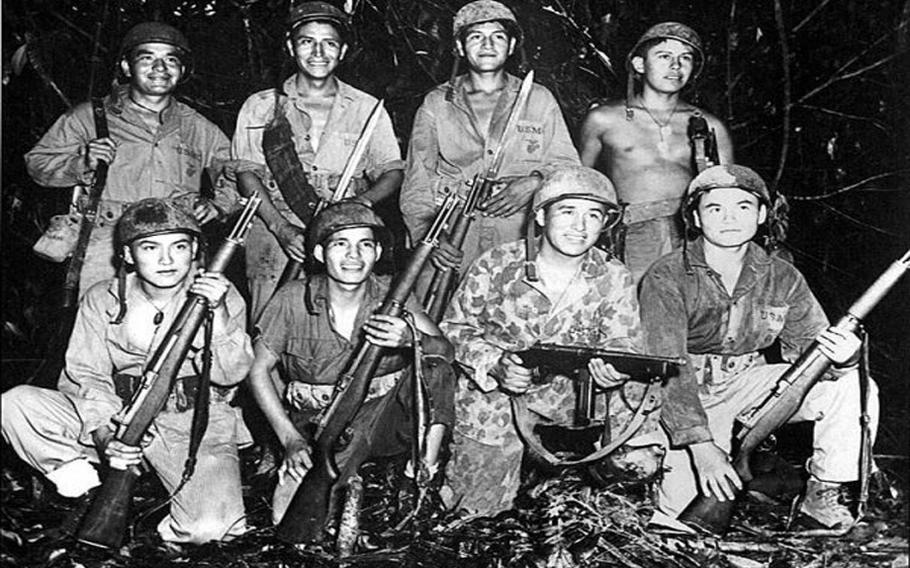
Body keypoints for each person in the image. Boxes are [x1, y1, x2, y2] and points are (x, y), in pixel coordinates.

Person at [639, 164, 880, 531]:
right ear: (696, 218)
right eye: (715, 208)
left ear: (763, 214)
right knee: (678, 522)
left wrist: (845, 359)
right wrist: (701, 447)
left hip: (747, 384)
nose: (730, 218)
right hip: (681, 396)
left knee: (852, 387)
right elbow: (667, 367)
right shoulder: (666, 275)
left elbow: (813, 354)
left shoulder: (782, 275)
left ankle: (825, 491)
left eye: (744, 206)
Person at [1, 198, 253, 543]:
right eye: (150, 248)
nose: (166, 260)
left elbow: (231, 374)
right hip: (117, 412)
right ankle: (90, 489)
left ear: (194, 250)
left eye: (179, 246)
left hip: (191, 418)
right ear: (129, 255)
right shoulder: (102, 297)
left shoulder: (220, 294)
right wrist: (107, 437)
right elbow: (86, 374)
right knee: (15, 404)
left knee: (211, 531)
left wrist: (220, 315)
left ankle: (172, 496)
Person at [439, 166, 661, 517]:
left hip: (575, 401)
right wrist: (495, 364)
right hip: (499, 401)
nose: (580, 226)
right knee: (475, 515)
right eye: (567, 211)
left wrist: (615, 371)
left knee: (626, 479)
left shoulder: (612, 273)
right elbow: (453, 329)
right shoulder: (496, 265)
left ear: (605, 223)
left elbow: (625, 341)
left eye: (593, 215)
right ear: (541, 215)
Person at [246, 201, 455, 525]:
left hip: (386, 412)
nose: (353, 256)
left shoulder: (392, 294)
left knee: (434, 366)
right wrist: (290, 439)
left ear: (377, 252)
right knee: (289, 517)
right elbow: (258, 371)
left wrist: (411, 339)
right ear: (319, 254)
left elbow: (444, 350)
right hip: (319, 417)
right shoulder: (292, 297)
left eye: (365, 245)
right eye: (340, 244)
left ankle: (424, 474)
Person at [26, 22, 239, 296]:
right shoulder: (91, 116)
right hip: (107, 245)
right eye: (147, 58)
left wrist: (219, 206)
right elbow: (37, 163)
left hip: (174, 243)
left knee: (173, 331)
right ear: (127, 67)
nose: (160, 68)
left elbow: (237, 171)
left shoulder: (197, 126)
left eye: (170, 60)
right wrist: (81, 164)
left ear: (182, 71)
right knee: (102, 322)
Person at [231, 1, 404, 321]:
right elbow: (247, 174)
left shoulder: (368, 109)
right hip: (276, 230)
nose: (318, 52)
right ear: (290, 47)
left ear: (343, 51)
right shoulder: (262, 106)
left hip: (345, 231)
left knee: (337, 321)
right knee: (269, 322)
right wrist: (281, 228)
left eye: (330, 43)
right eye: (307, 41)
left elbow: (391, 171)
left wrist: (360, 203)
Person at [401, 0, 580, 295]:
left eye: (497, 36)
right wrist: (427, 236)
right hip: (452, 231)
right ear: (459, 47)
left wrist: (534, 182)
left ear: (511, 47)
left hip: (519, 233)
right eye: (475, 37)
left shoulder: (538, 98)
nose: (487, 44)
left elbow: (568, 166)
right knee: (439, 321)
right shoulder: (437, 102)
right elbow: (417, 178)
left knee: (516, 318)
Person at [579, 22, 733, 285]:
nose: (676, 66)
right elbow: (579, 185)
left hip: (691, 235)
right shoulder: (604, 119)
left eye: (685, 58)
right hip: (632, 237)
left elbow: (729, 192)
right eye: (664, 56)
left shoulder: (709, 125)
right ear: (639, 65)